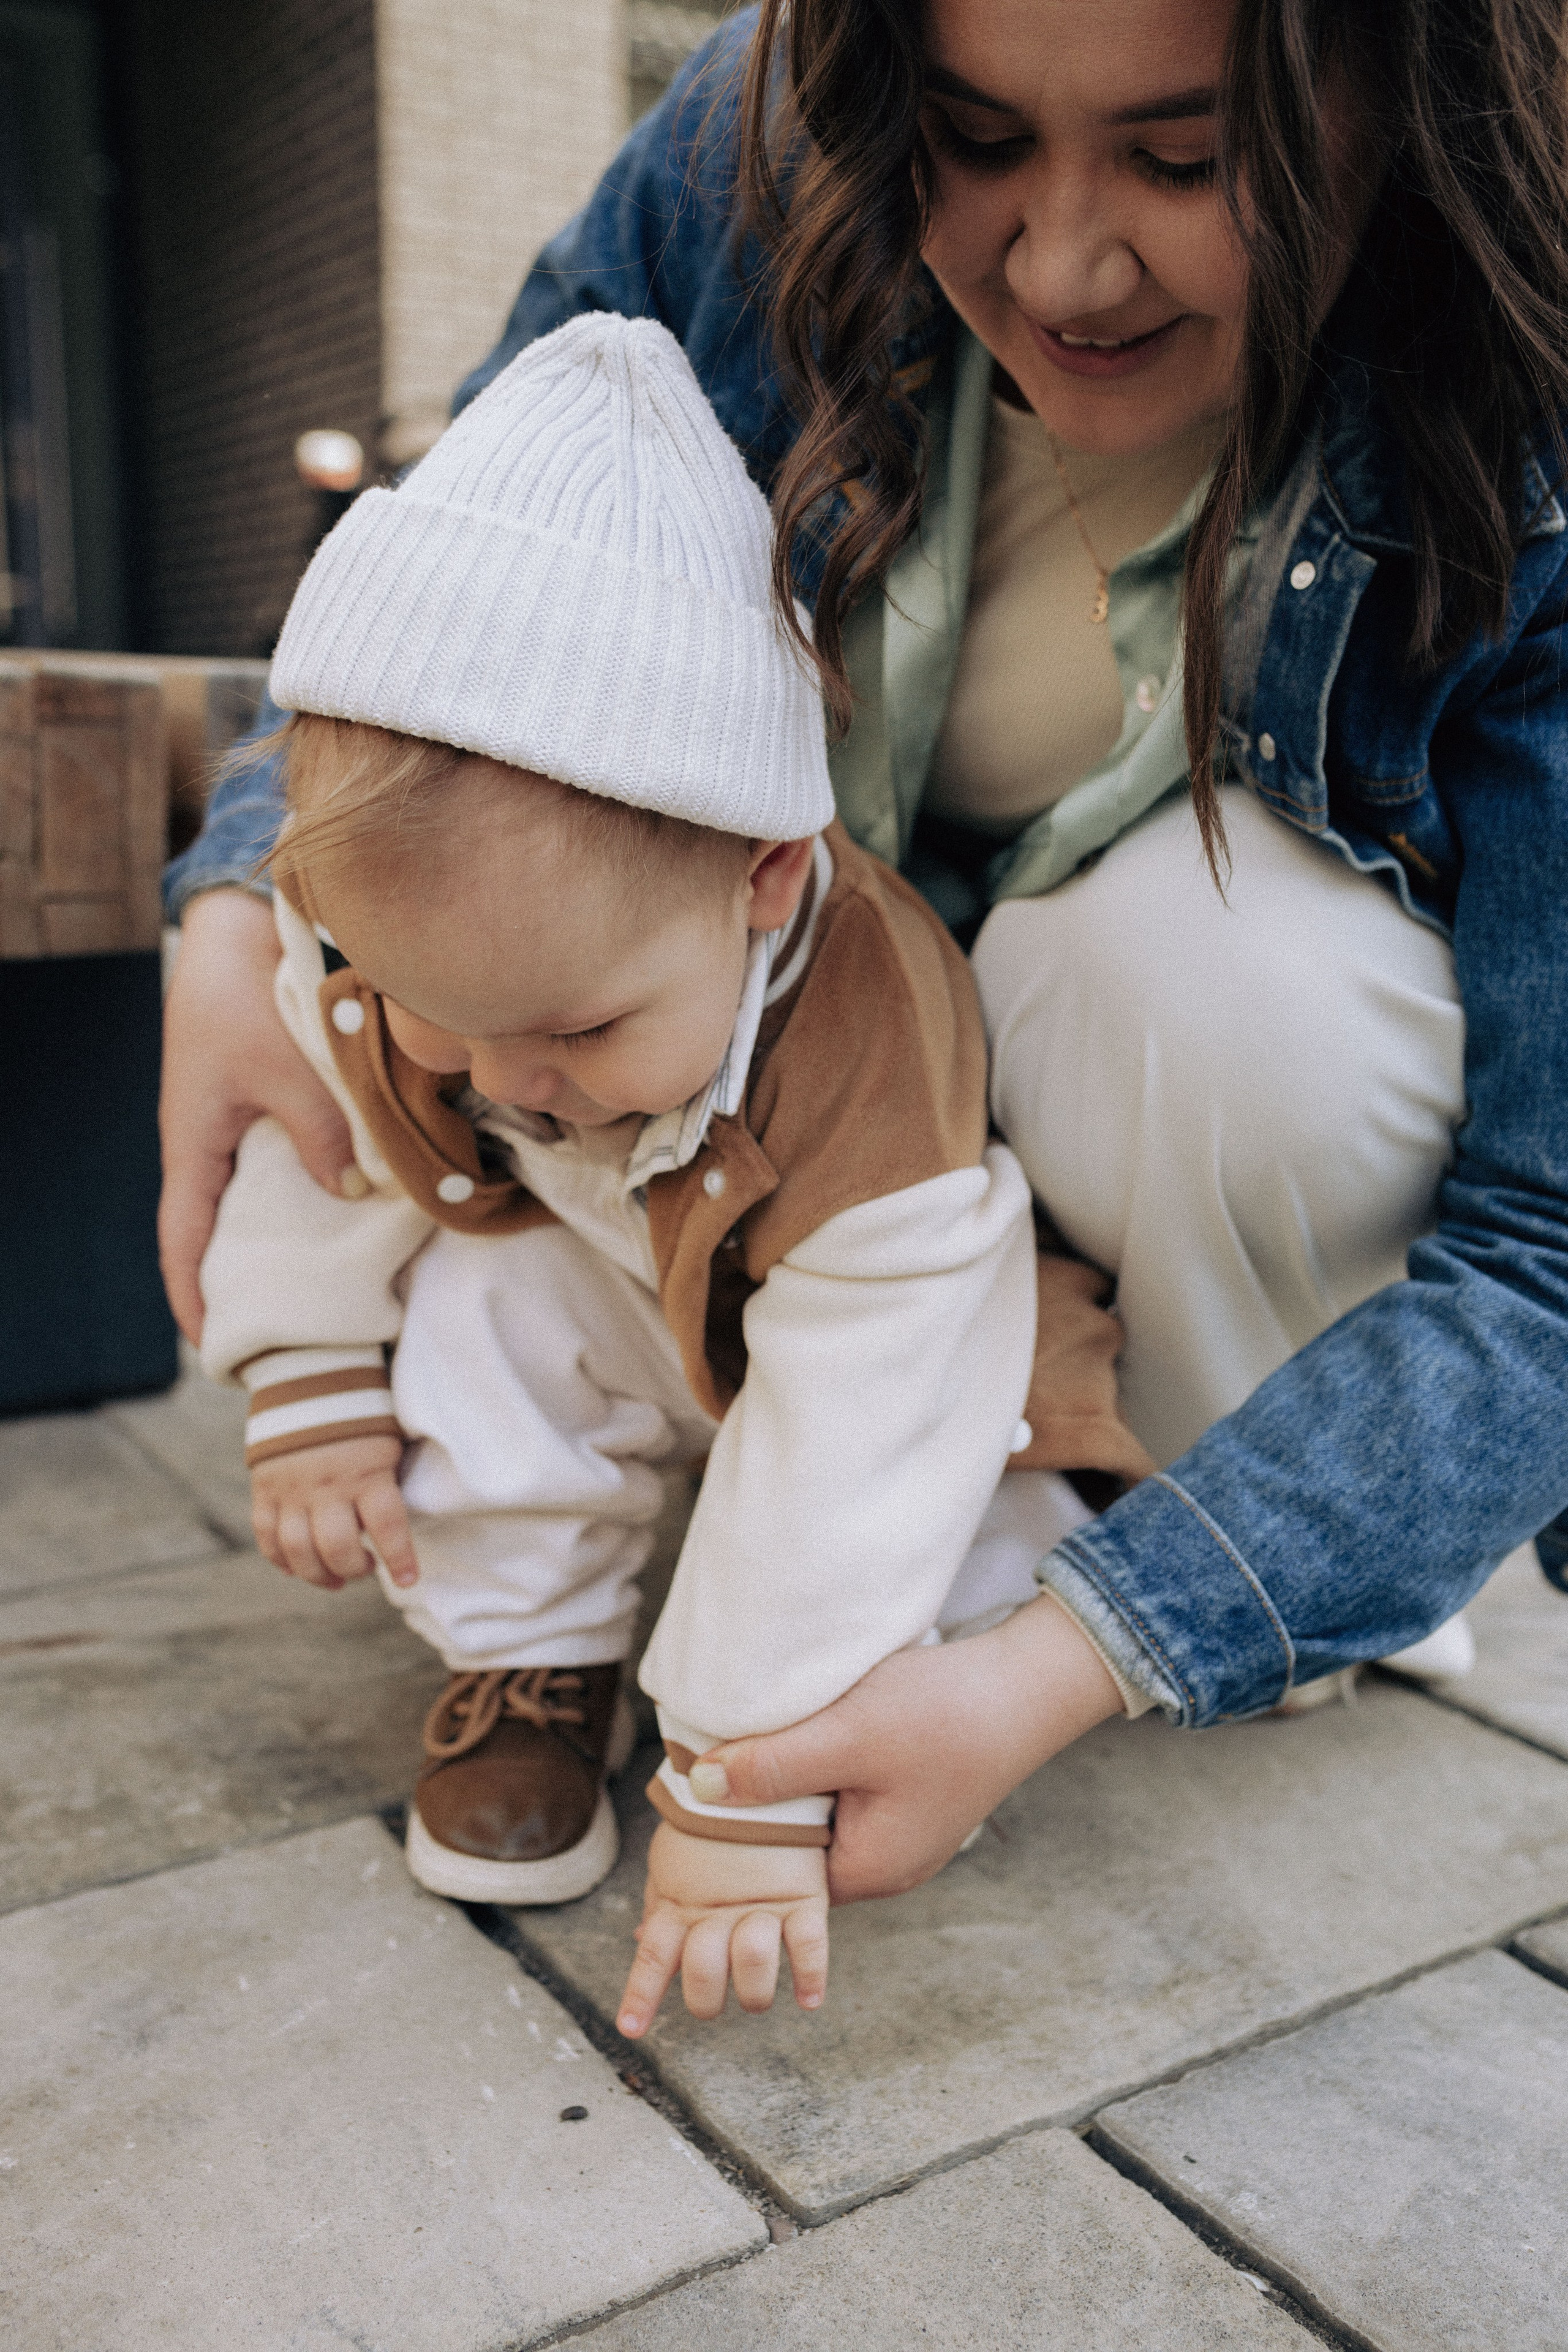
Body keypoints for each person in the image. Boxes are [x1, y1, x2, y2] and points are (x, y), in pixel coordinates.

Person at [162, 0, 1568, 1931]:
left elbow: (1550, 1247)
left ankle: (1178, 1519)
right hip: (740, 1087)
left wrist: (1069, 1662)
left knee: (1226, 990)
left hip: (1022, 1112)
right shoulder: (756, 124)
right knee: (494, 1195)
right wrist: (249, 910)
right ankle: (617, 1594)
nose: (1064, 262)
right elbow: (454, 577)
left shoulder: (1520, 391)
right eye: (977, 141)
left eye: (1181, 158)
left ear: (1409, 100)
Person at [196, 311, 1150, 2034]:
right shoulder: (390, 946)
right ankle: (535, 1649)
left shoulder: (870, 1043)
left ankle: (853, 1660)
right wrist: (311, 1365)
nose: (507, 1082)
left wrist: (746, 1771)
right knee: (483, 1277)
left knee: (938, 1542)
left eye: (571, 1025)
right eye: (443, 1015)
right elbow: (332, 1106)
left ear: (768, 878)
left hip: (861, 1341)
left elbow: (873, 1410)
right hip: (610, 1281)